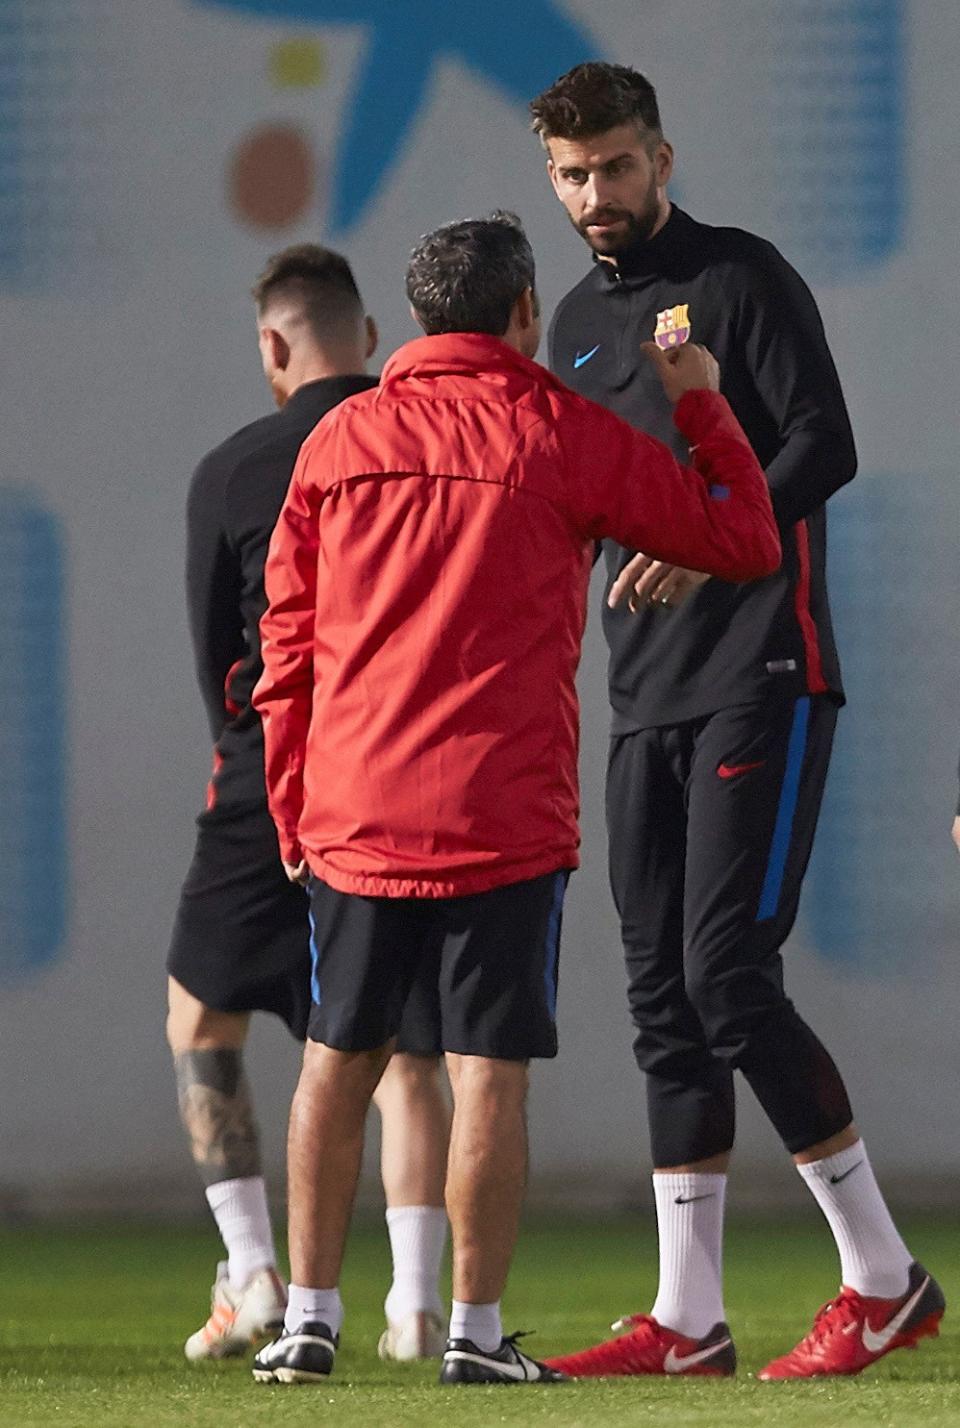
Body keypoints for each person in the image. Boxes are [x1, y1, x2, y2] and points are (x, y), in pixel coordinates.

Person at [248, 210, 780, 1389]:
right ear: (526, 314)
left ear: (424, 317)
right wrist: (697, 395)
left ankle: (306, 1322)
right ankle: (475, 1339)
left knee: (336, 1060)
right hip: (502, 810)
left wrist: (292, 798)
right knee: (489, 1073)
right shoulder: (562, 433)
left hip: (356, 806)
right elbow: (745, 538)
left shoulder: (338, 447)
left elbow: (285, 644)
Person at [529, 61, 945, 1381]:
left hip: (765, 664)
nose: (597, 193)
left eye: (616, 166)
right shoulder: (578, 337)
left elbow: (826, 444)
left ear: (662, 156)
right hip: (643, 687)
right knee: (663, 998)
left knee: (725, 976)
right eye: (573, 174)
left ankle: (883, 1280)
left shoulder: (744, 280)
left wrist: (714, 542)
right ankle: (687, 1320)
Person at [166, 244, 451, 1364]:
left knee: (202, 1020)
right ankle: (419, 1301)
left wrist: (249, 767)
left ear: (274, 348)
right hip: (404, 776)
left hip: (266, 776)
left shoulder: (237, 468)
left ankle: (250, 1273)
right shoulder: (423, 447)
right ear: (371, 336)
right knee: (406, 1053)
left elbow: (214, 658)